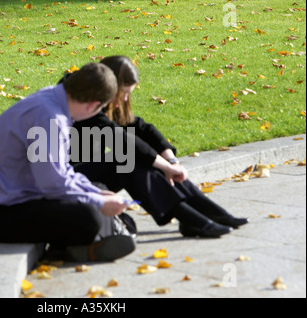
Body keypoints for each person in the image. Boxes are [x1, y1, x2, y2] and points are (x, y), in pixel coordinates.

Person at [0, 62, 136, 262]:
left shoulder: (51, 99)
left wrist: (96, 193)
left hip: (19, 200)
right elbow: (52, 184)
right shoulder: (50, 120)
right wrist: (99, 203)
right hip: (2, 215)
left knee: (97, 188)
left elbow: (62, 172)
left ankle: (93, 238)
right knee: (87, 216)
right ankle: (78, 249)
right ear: (93, 105)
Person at [69, 56, 249, 238]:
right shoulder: (85, 102)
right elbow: (123, 141)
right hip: (66, 180)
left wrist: (171, 160)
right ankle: (193, 219)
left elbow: (141, 129)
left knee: (140, 159)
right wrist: (166, 167)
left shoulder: (100, 99)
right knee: (127, 160)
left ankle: (207, 213)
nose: (124, 99)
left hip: (86, 173)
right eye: (122, 93)